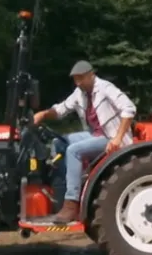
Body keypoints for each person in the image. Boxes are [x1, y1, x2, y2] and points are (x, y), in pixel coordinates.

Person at [31, 60, 136, 224]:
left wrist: (118, 138)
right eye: (75, 79)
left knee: (73, 150)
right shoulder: (80, 93)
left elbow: (129, 109)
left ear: (91, 75)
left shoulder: (105, 88)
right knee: (59, 143)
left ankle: (72, 203)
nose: (78, 82)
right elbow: (61, 110)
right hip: (94, 135)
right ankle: (63, 190)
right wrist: (42, 114)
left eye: (80, 78)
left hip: (111, 138)